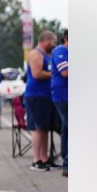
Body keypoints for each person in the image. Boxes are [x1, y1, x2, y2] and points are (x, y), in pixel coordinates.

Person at [25, 31, 59, 171]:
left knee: (44, 128)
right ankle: (36, 160)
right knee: (38, 128)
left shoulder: (47, 55)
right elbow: (37, 74)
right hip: (36, 95)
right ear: (46, 40)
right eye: (54, 41)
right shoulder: (36, 54)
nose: (55, 45)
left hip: (46, 96)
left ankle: (45, 159)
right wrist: (56, 74)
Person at [50, 30, 69, 177]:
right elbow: (65, 72)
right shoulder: (60, 51)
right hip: (63, 96)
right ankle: (67, 163)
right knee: (68, 128)